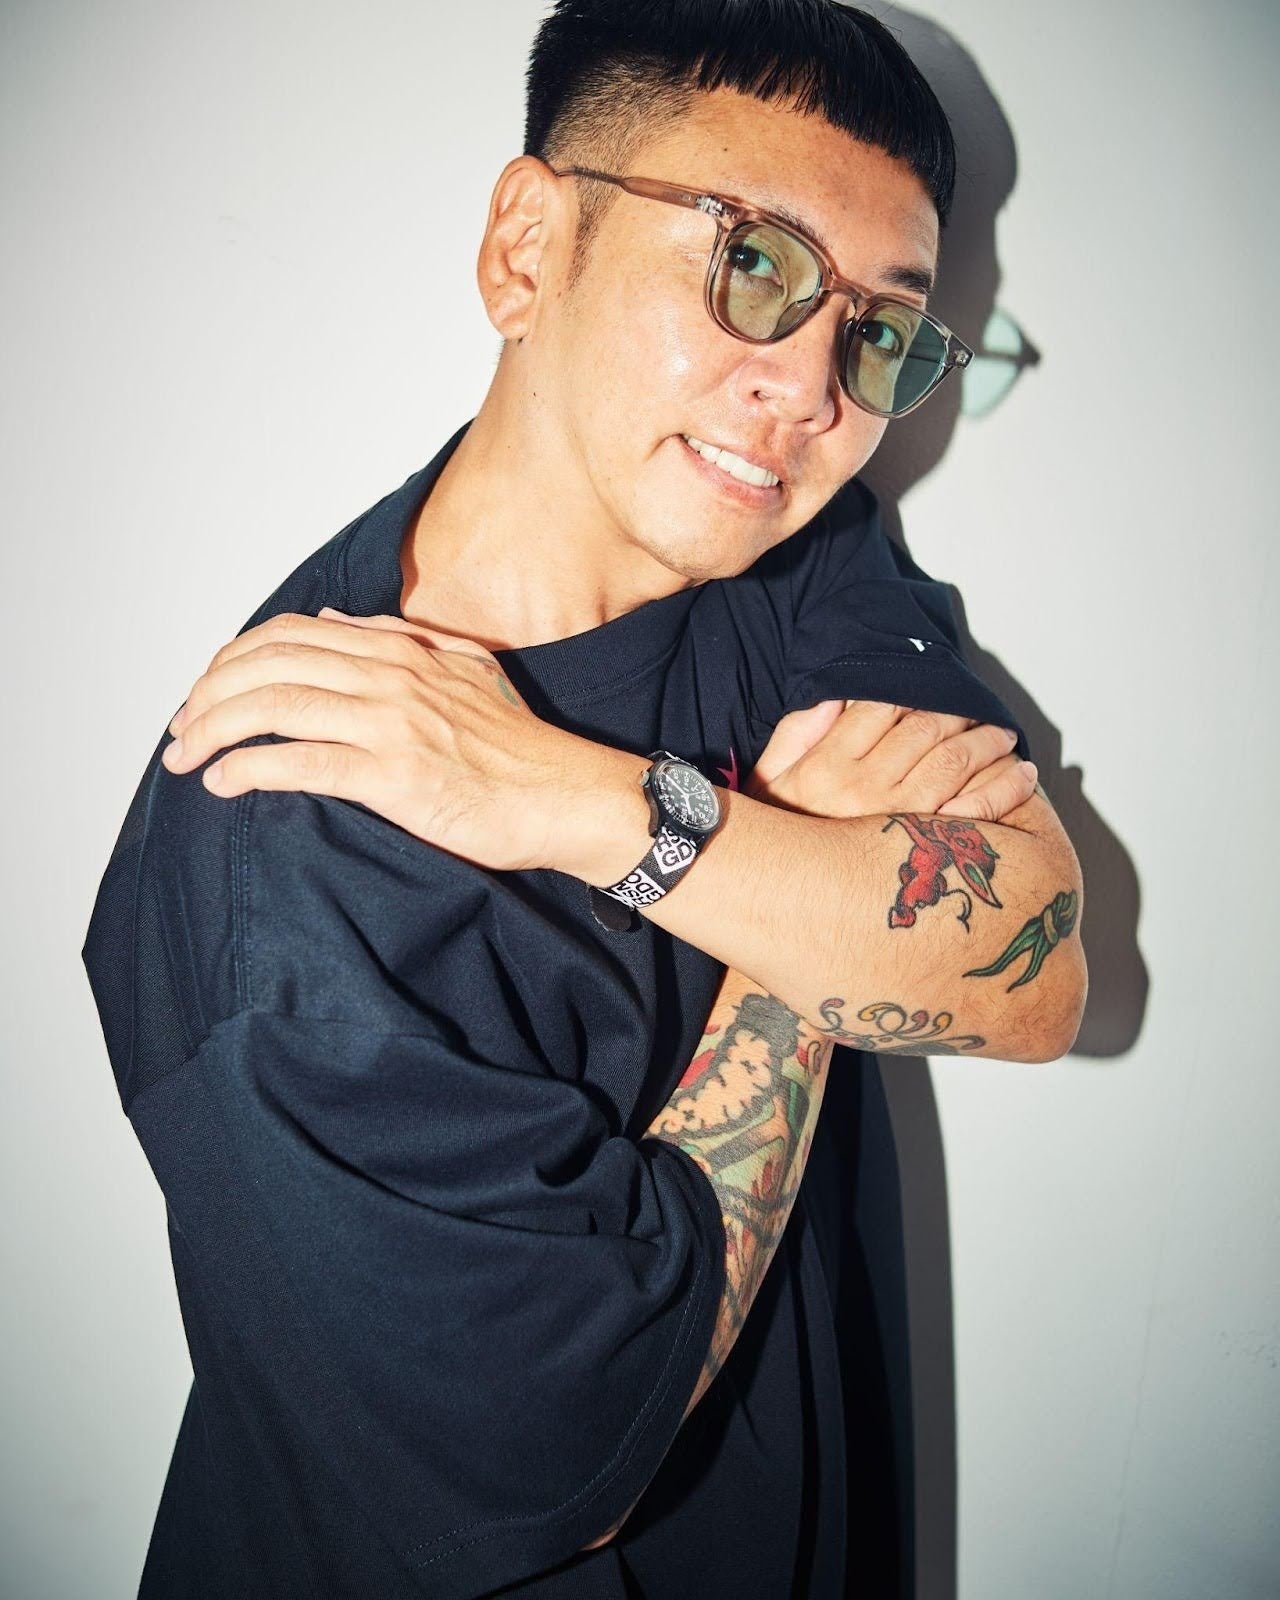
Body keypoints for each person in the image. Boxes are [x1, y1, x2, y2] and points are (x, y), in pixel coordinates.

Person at [81, 2, 1086, 1595]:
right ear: (527, 249)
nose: (810, 391)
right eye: (753, 263)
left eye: (878, 333)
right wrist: (806, 920)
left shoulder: (794, 559)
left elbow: (1036, 983)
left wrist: (584, 802)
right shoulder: (285, 845)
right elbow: (566, 1466)